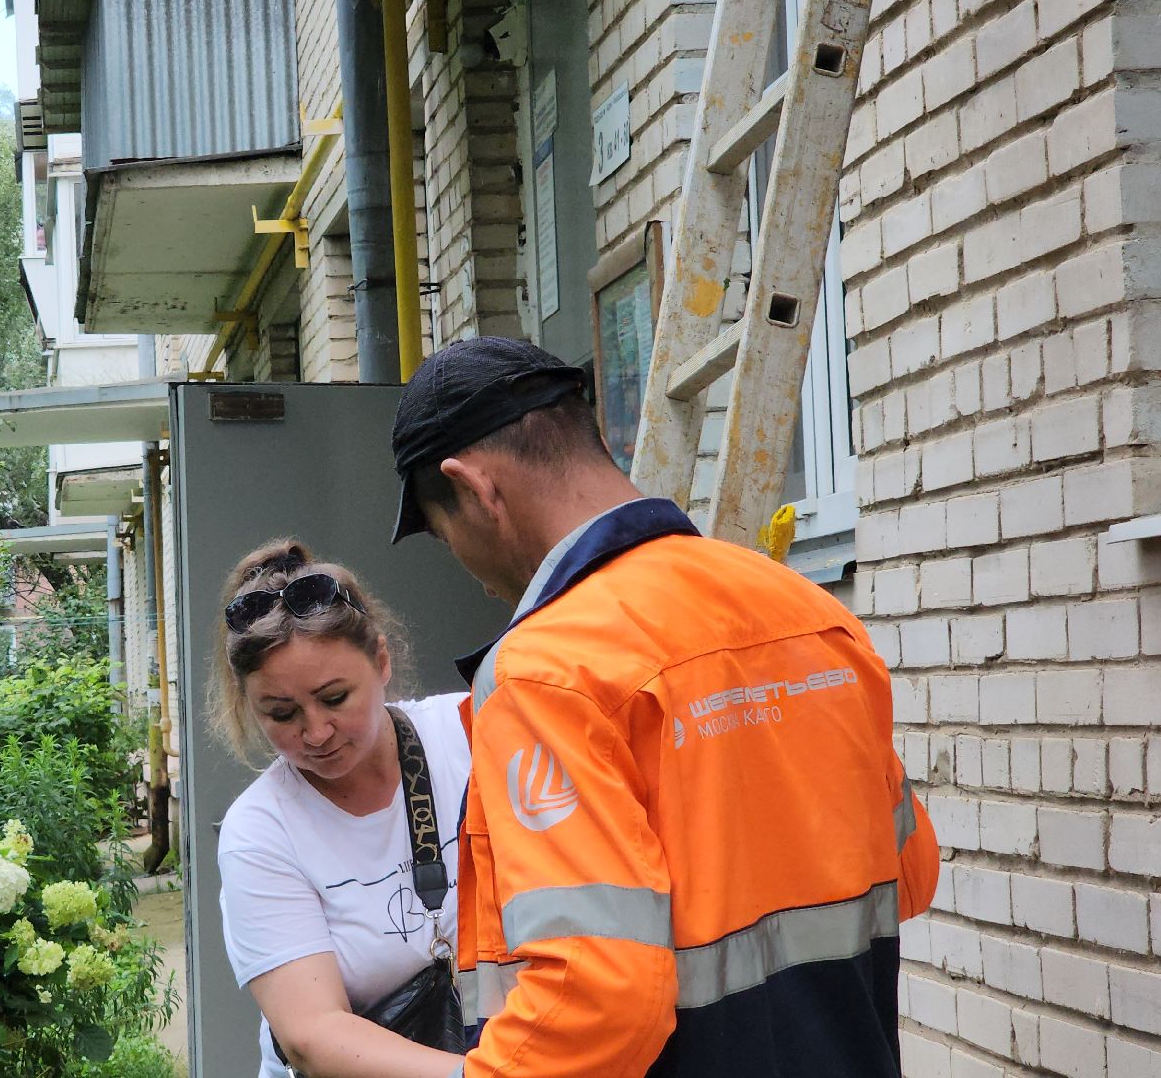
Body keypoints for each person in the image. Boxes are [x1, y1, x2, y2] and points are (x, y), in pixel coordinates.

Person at [386, 336, 941, 1078]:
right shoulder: (807, 610)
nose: (466, 564)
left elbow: (596, 995)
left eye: (443, 530)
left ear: (477, 488)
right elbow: (911, 871)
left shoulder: (546, 671)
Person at [211, 539, 472, 1078]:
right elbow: (313, 1034)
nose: (316, 732)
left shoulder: (469, 735)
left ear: (380, 661)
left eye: (334, 698)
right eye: (281, 713)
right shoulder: (260, 832)